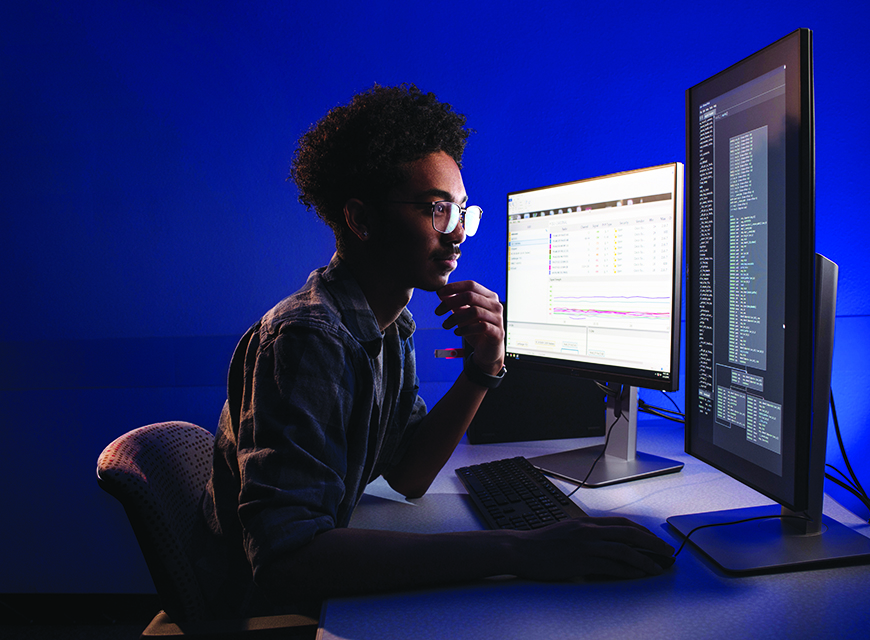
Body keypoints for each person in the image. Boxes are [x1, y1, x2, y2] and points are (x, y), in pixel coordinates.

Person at [194, 84, 675, 619]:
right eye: (435, 210)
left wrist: (484, 366)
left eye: (462, 212)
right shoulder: (310, 339)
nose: (456, 236)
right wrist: (520, 548)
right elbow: (287, 561)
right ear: (361, 220)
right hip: (256, 612)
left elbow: (409, 476)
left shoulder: (390, 326)